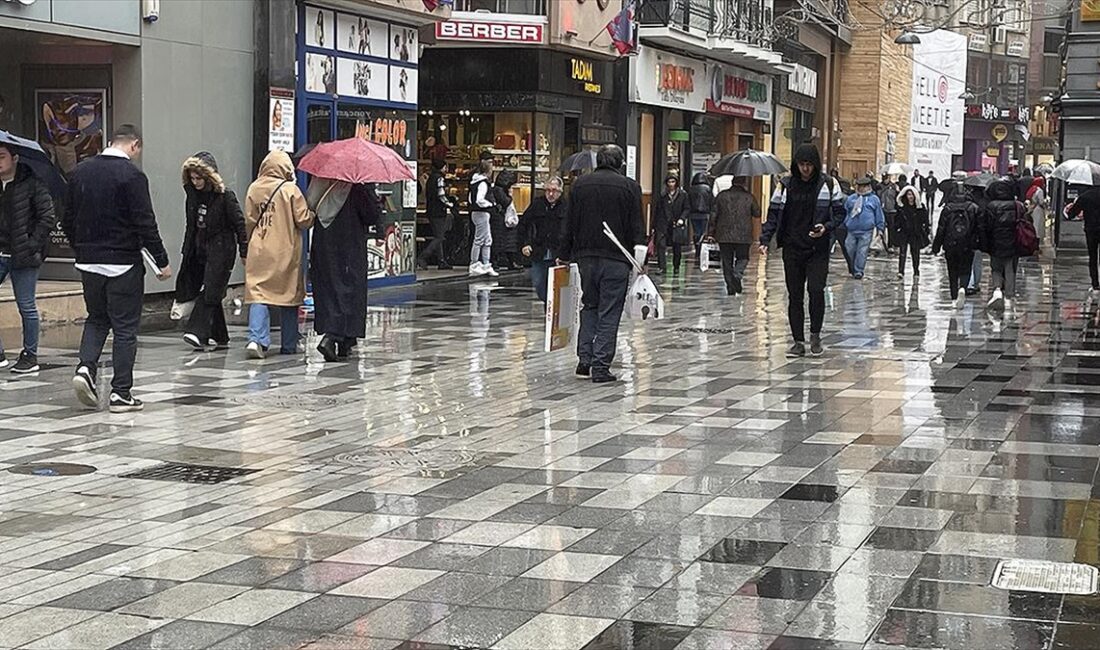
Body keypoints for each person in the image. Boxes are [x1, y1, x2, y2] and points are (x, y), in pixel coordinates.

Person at [63, 124, 171, 412]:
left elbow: (68, 218)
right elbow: (145, 222)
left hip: (88, 261)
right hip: (123, 263)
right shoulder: (132, 176)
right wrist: (161, 260)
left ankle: (85, 367)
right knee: (125, 328)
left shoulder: (81, 171)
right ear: (134, 145)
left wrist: (81, 248)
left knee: (96, 318)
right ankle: (121, 392)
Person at [558, 144, 642, 383]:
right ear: (619, 163)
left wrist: (564, 254)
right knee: (609, 311)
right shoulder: (630, 187)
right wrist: (640, 259)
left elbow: (569, 223)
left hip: (586, 257)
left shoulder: (580, 186)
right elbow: (637, 227)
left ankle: (584, 360)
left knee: (590, 305)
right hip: (617, 258)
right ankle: (601, 365)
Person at [759, 143, 845, 357]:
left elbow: (840, 214)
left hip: (818, 247)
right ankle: (798, 341)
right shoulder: (785, 185)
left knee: (816, 290)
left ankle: (815, 334)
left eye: (809, 164)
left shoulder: (829, 184)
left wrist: (826, 227)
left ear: (815, 165)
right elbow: (774, 213)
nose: (805, 169)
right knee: (794, 295)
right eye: (801, 164)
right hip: (792, 246)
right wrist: (764, 239)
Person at [243, 149, 314, 359]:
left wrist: (248, 244)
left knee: (259, 293)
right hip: (286, 250)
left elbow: (249, 220)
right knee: (289, 295)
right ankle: (289, 344)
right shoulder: (290, 190)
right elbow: (303, 220)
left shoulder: (254, 188)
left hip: (259, 248)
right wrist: (313, 214)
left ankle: (256, 339)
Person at [176, 152, 247, 352]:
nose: (195, 182)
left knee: (211, 290)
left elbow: (239, 224)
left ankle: (197, 331)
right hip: (199, 250)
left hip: (222, 250)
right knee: (211, 291)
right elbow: (191, 226)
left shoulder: (225, 196)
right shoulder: (192, 196)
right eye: (192, 178)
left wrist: (244, 249)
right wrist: (186, 250)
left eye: (199, 178)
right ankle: (220, 335)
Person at [0, 143, 53, 373]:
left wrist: (32, 244)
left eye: (2, 157)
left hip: (23, 253)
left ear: (15, 158)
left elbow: (47, 217)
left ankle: (30, 355)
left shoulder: (31, 184)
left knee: (26, 305)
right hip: (0, 251)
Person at [312, 183, 379, 362]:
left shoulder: (321, 181)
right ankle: (332, 337)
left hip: (323, 242)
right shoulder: (359, 186)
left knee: (329, 288)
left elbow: (310, 204)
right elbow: (371, 215)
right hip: (349, 244)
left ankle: (346, 341)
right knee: (350, 289)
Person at [708, 176, 759, 295]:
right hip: (744, 234)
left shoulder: (721, 196)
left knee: (726, 261)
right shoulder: (749, 197)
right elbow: (757, 212)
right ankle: (737, 274)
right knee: (743, 258)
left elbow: (713, 215)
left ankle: (730, 286)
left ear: (732, 183)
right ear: (744, 183)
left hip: (724, 234)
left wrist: (710, 233)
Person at [932, 182, 980, 307]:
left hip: (950, 244)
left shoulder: (947, 209)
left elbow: (941, 229)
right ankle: (963, 288)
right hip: (968, 244)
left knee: (952, 271)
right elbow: (979, 228)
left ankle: (954, 298)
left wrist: (936, 246)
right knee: (966, 269)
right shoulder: (973, 207)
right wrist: (979, 243)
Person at [519, 176, 567, 303]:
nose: (551, 194)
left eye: (554, 191)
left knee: (556, 287)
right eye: (548, 190)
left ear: (560, 192)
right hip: (539, 250)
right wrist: (525, 244)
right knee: (539, 284)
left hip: (558, 253)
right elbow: (524, 224)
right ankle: (548, 303)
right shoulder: (538, 204)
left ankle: (551, 311)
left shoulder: (566, 207)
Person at [980, 179, 1025, 312]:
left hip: (995, 241)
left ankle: (997, 290)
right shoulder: (1017, 205)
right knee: (1010, 268)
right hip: (1013, 241)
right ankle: (1009, 296)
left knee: (996, 268)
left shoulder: (991, 206)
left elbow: (986, 226)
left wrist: (985, 243)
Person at [843, 175, 886, 280]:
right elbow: (845, 212)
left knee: (862, 251)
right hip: (851, 230)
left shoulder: (874, 199)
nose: (862, 188)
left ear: (868, 186)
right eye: (860, 186)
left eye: (864, 186)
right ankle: (852, 267)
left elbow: (879, 214)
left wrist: (880, 228)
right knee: (849, 249)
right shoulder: (851, 199)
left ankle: (859, 271)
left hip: (866, 231)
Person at [417, 158, 454, 270]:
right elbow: (441, 195)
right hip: (438, 211)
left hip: (431, 210)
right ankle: (423, 257)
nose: (446, 169)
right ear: (442, 167)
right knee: (439, 237)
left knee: (438, 236)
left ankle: (441, 261)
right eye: (445, 166)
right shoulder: (439, 179)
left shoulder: (430, 178)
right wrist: (449, 204)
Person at [652, 175, 688, 275]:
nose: (671, 184)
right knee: (661, 245)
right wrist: (654, 226)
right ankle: (662, 267)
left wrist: (682, 218)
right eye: (669, 182)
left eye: (673, 181)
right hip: (663, 223)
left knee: (677, 246)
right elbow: (657, 211)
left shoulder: (683, 195)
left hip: (676, 223)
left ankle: (676, 266)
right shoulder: (663, 195)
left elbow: (686, 208)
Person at [468, 159, 497, 277]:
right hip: (482, 213)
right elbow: (479, 199)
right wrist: (489, 204)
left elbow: (471, 198)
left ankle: (485, 264)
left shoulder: (474, 182)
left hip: (476, 212)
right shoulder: (483, 183)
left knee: (486, 239)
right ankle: (474, 264)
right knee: (480, 239)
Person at [1067, 187, 1100, 291]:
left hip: (1091, 230)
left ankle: (1095, 284)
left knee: (1093, 257)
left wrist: (1071, 209)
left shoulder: (1085, 196)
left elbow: (1071, 214)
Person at [896, 185, 930, 280]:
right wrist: (897, 228)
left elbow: (925, 219)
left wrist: (926, 229)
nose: (910, 197)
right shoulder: (902, 207)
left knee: (915, 252)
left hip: (915, 233)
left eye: (911, 194)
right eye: (908, 194)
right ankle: (901, 271)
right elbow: (897, 219)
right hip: (904, 232)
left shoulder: (920, 207)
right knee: (902, 252)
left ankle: (916, 270)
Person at [490, 170, 520, 271]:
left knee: (501, 241)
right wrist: (510, 196)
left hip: (500, 217)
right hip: (499, 218)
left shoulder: (496, 189)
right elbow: (506, 201)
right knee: (500, 241)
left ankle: (499, 261)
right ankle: (501, 261)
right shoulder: (499, 190)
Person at [688, 172, 715, 257]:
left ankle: (697, 247)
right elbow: (712, 201)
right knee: (703, 232)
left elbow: (688, 201)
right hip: (705, 213)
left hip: (693, 213)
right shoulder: (707, 189)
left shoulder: (691, 189)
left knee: (696, 231)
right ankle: (700, 247)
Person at [1025, 175, 1049, 244]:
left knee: (1033, 225)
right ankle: (1036, 243)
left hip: (1032, 209)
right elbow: (1041, 202)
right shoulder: (1039, 190)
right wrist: (1045, 202)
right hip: (1038, 210)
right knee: (1037, 226)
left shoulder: (1032, 188)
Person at [880, 175, 900, 251]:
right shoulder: (879, 186)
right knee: (881, 228)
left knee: (891, 229)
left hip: (892, 210)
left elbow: (898, 198)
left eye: (886, 179)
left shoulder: (894, 187)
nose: (885, 180)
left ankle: (890, 244)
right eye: (884, 179)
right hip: (882, 210)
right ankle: (882, 243)